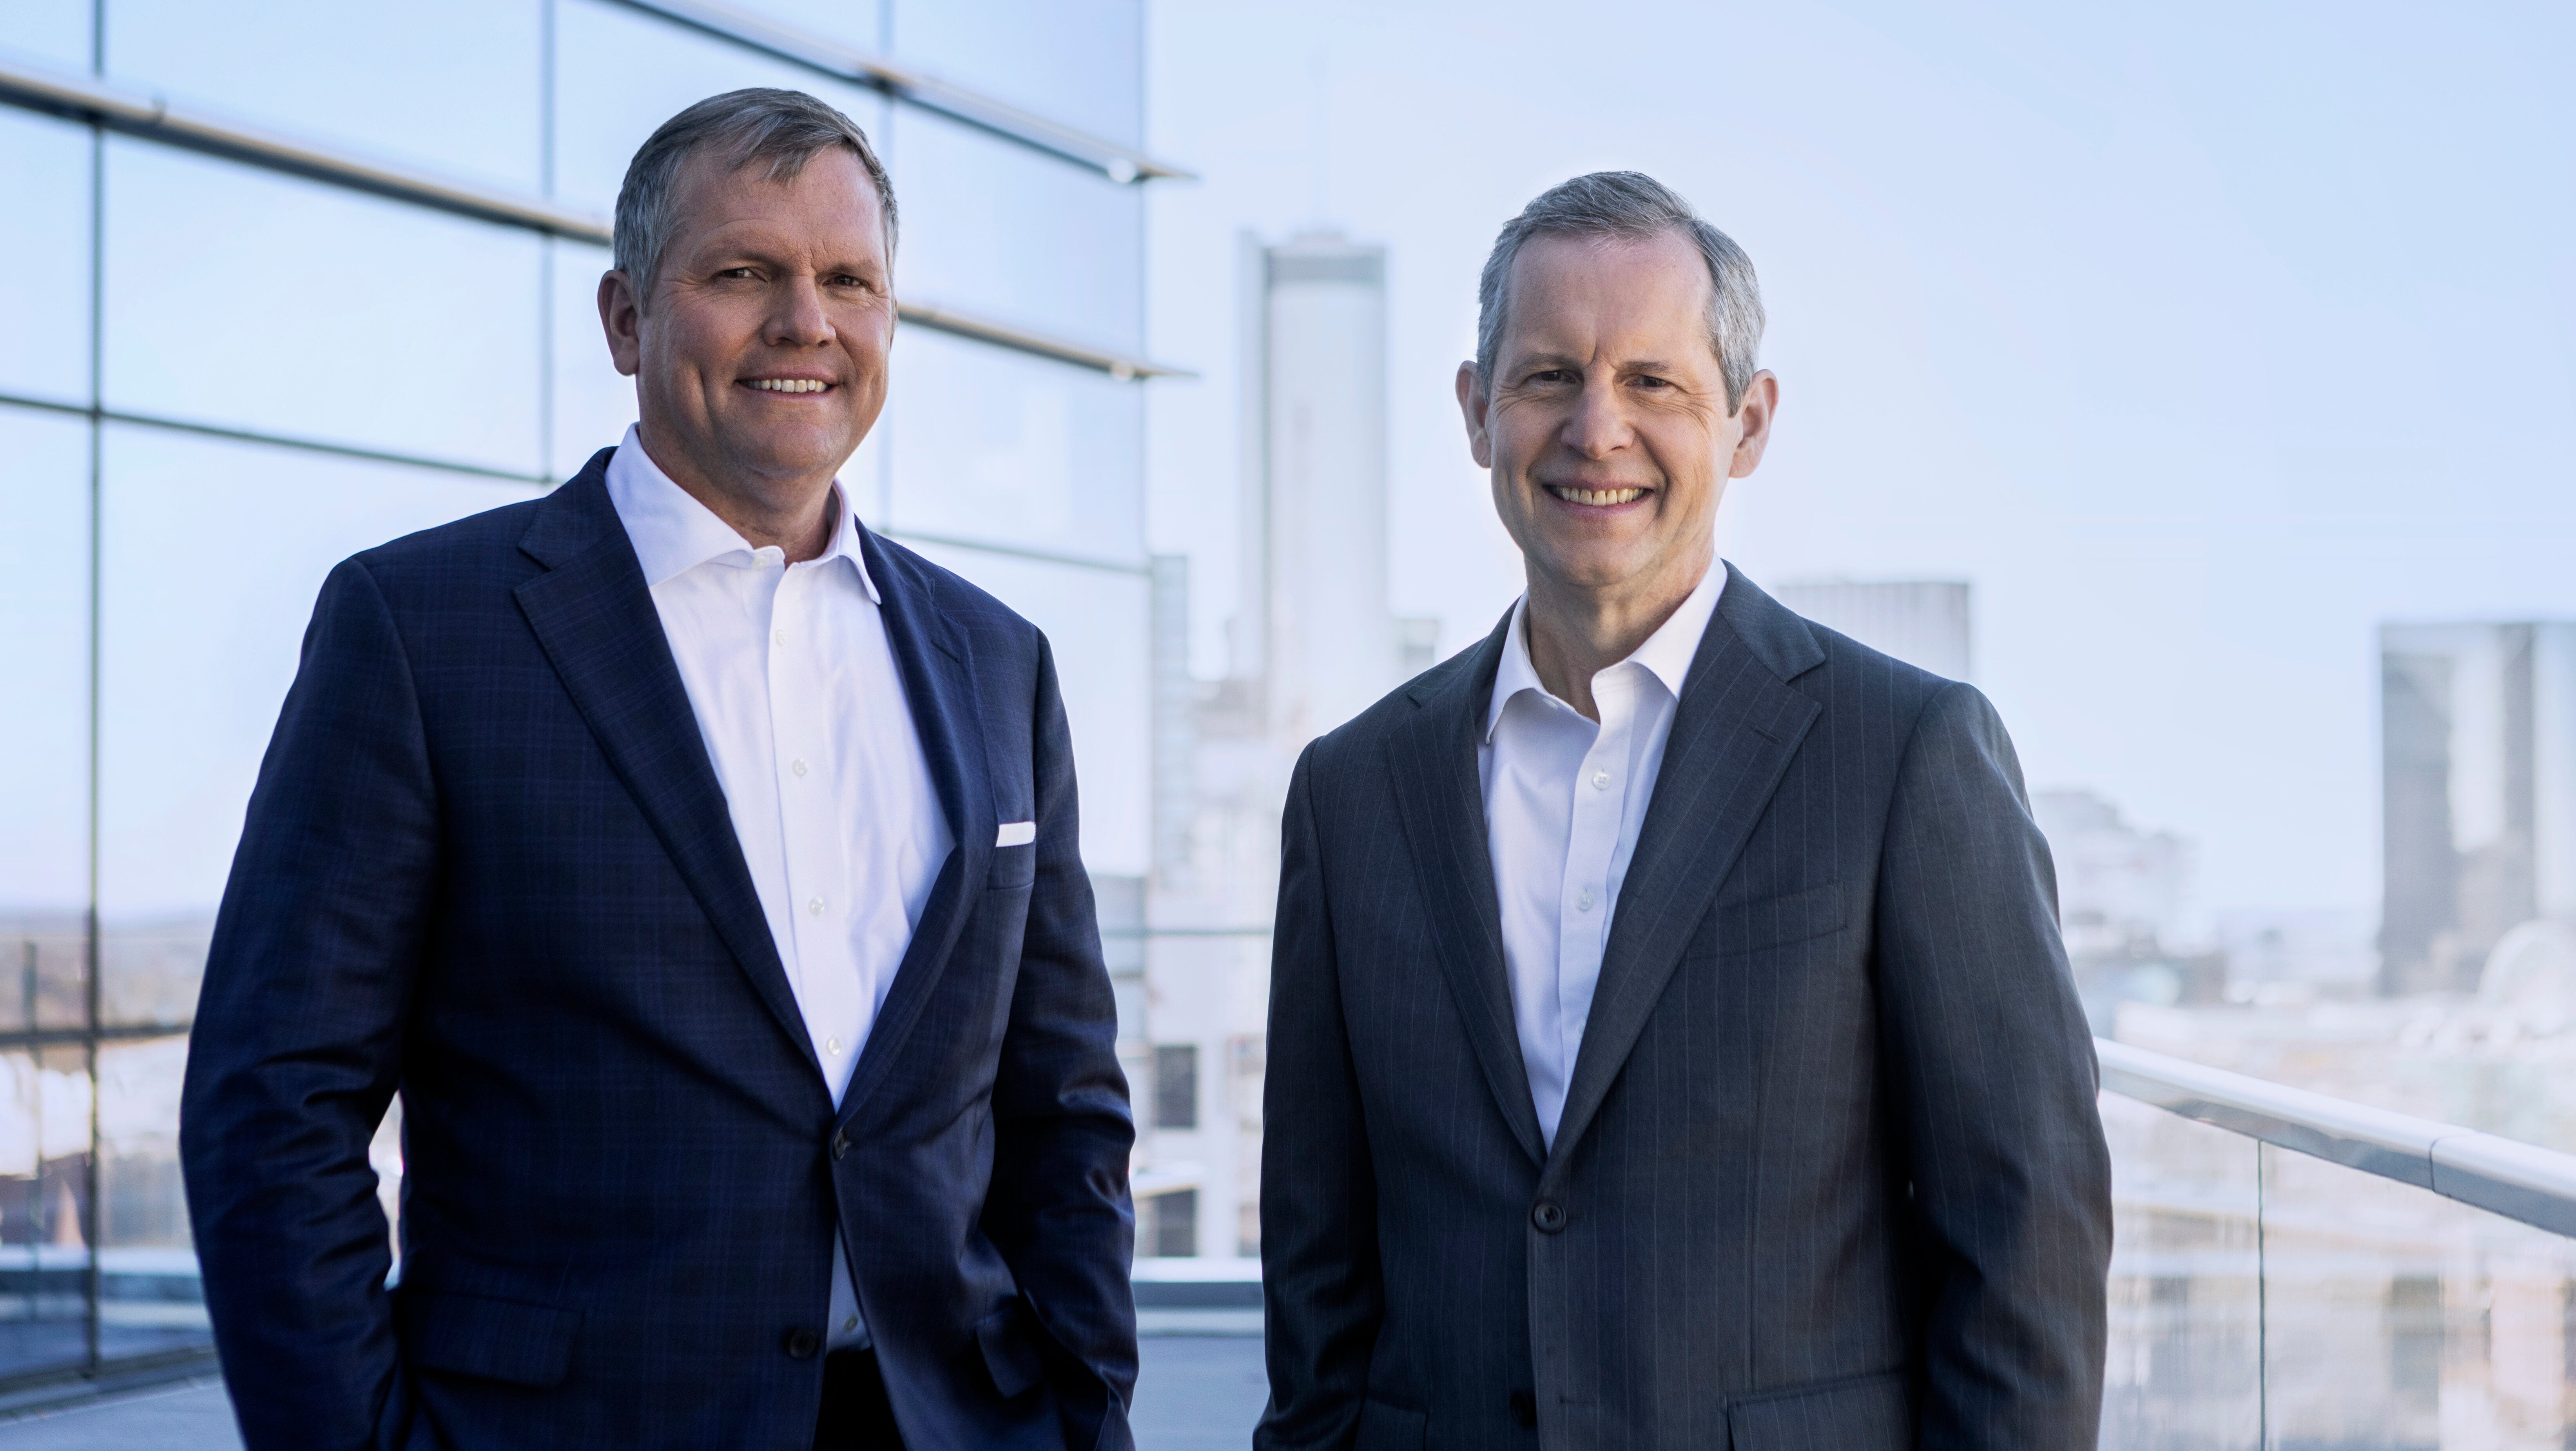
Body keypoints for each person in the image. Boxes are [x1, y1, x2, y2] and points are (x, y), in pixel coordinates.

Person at [179, 89, 1135, 1451]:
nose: (806, 320)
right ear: (627, 319)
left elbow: (1064, 1107)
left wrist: (1084, 1409)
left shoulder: (998, 662)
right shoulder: (423, 631)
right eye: (744, 273)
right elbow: (272, 1110)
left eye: (848, 279)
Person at [1257, 171, 2112, 1450]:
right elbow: (1318, 1272)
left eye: (1654, 382)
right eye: (1548, 376)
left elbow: (2025, 1246)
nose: (1597, 430)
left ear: (1748, 423)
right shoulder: (1352, 790)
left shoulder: (1906, 756)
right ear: (1476, 413)